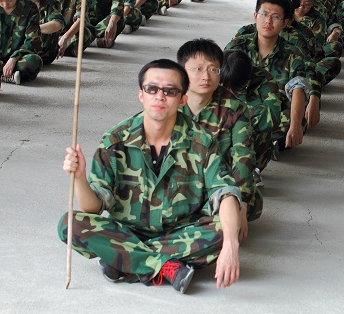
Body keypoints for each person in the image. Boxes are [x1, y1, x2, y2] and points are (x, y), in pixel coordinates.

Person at [58, 59, 242, 293]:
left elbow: (225, 193)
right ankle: (165, 266)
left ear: (182, 99)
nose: (160, 96)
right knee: (69, 224)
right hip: (126, 230)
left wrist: (231, 245)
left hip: (179, 233)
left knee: (224, 231)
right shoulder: (116, 140)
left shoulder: (201, 142)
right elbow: (92, 207)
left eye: (170, 91)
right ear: (141, 95)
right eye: (152, 89)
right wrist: (79, 178)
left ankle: (122, 260)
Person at [176, 39, 261, 236]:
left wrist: (242, 204)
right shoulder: (169, 100)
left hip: (216, 185)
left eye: (213, 69)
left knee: (246, 205)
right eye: (197, 69)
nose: (206, 76)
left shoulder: (235, 108)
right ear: (182, 72)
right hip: (175, 184)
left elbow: (243, 156)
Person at [225, 0, 312, 150]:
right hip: (240, 109)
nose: (268, 21)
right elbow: (221, 78)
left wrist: (295, 125)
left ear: (285, 22)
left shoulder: (292, 53)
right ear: (255, 16)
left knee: (295, 120)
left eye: (276, 17)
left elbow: (298, 89)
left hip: (273, 113)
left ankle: (245, 140)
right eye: (264, 14)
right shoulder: (238, 46)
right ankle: (260, 143)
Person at [221, 50, 282, 171]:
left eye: (236, 88)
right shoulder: (213, 75)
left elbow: (273, 115)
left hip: (251, 140)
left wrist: (238, 122)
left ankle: (248, 169)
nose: (230, 92)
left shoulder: (264, 80)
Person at [19, 0, 65, 66]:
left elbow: (57, 24)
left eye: (33, 0)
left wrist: (32, 30)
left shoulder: (50, 1)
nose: (29, 3)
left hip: (43, 51)